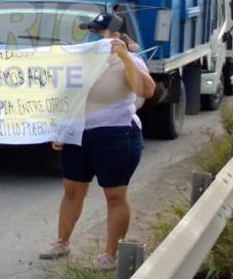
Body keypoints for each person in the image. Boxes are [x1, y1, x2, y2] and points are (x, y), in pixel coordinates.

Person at [40, 13, 155, 271]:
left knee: (114, 195)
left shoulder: (130, 61)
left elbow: (146, 91)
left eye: (97, 32)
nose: (91, 36)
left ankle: (112, 254)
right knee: (72, 191)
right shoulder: (79, 60)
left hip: (117, 135)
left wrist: (124, 57)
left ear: (114, 35)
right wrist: (59, 130)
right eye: (89, 31)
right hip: (79, 135)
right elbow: (63, 96)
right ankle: (62, 241)